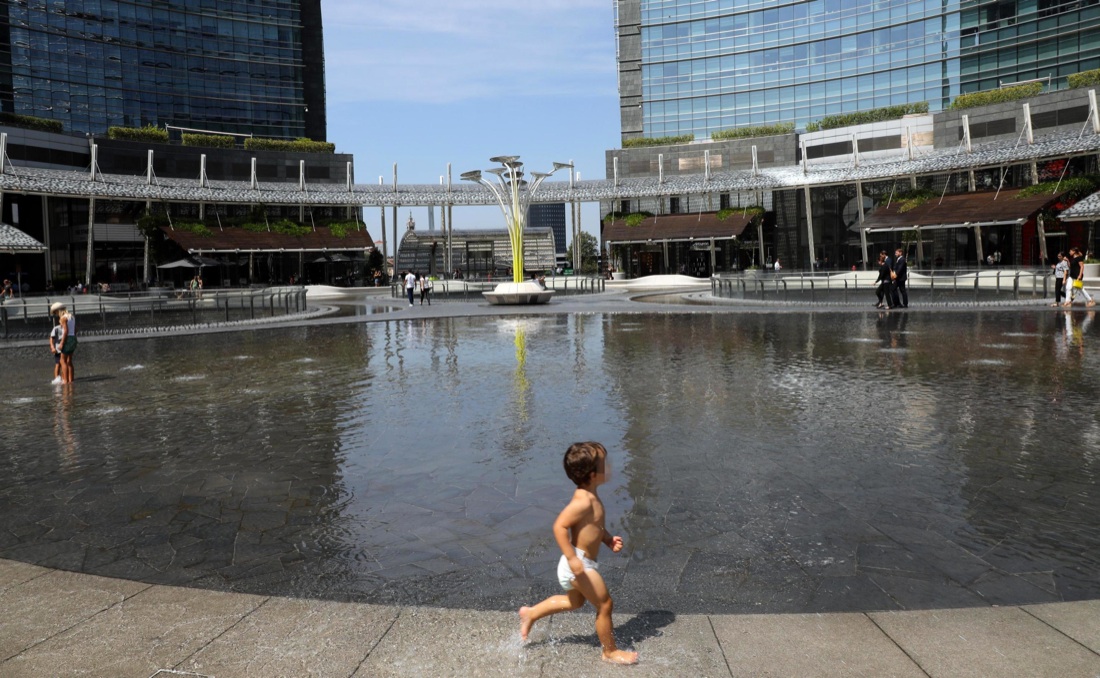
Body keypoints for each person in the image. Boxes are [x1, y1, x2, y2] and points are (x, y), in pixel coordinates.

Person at [518, 442, 639, 665]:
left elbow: (592, 526)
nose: (609, 467)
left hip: (579, 563)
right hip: (578, 563)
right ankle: (609, 651)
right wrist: (573, 560)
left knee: (574, 602)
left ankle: (531, 613)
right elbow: (559, 527)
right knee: (605, 605)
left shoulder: (590, 496)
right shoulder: (582, 500)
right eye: (605, 464)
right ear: (593, 474)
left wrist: (607, 539)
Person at [51, 302, 76, 383]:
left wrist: (62, 343)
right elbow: (76, 329)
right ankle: (71, 380)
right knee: (69, 361)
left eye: (55, 312)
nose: (56, 314)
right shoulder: (71, 317)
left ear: (58, 311)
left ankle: (65, 381)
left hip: (67, 339)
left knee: (62, 361)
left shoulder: (63, 318)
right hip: (73, 339)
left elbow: (65, 331)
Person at [48, 315, 64, 384]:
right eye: (61, 321)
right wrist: (52, 347)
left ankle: (63, 378)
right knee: (58, 364)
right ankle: (57, 378)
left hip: (64, 349)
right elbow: (51, 338)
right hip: (57, 349)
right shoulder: (56, 328)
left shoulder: (66, 328)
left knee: (64, 364)